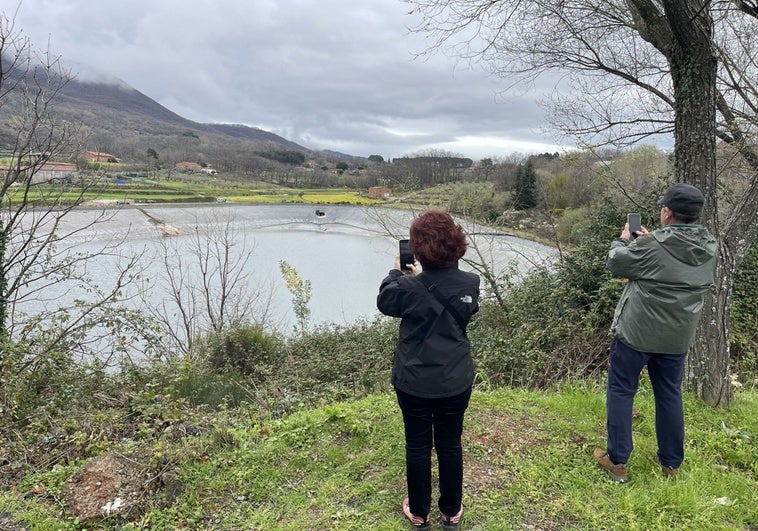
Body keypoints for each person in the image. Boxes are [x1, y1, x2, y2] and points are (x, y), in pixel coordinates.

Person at [594, 183, 717, 482]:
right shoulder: (710, 247)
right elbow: (674, 265)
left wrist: (624, 239)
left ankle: (618, 461)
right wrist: (651, 241)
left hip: (636, 333)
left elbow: (616, 262)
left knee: (622, 390)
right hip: (676, 338)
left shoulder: (651, 246)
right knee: (669, 394)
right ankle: (670, 463)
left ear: (666, 212)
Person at [377, 210, 480, 529]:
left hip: (414, 381)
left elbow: (385, 301)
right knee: (450, 442)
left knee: (417, 444)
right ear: (456, 243)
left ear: (417, 250)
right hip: (455, 378)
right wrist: (425, 277)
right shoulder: (471, 283)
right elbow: (463, 307)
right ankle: (451, 511)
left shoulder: (407, 288)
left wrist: (397, 273)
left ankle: (419, 512)